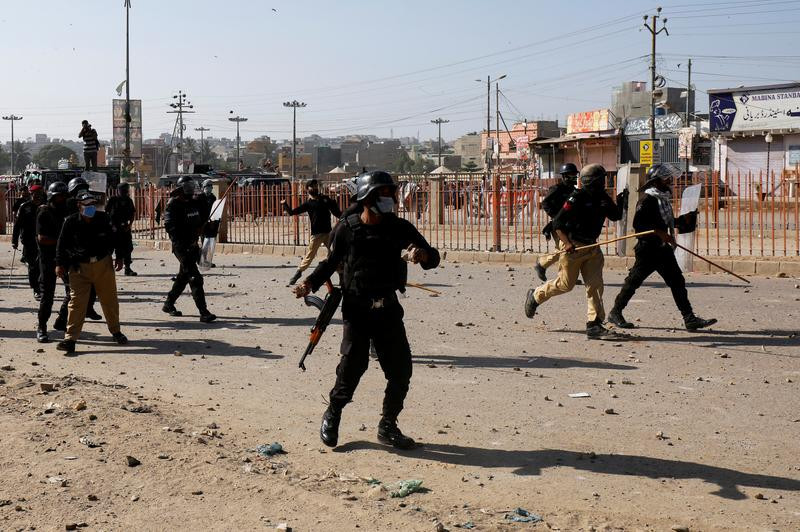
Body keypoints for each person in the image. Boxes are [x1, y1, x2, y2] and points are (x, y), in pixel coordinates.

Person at [293, 170, 440, 450]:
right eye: (381, 194)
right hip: (357, 309)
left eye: (389, 193)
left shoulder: (399, 228)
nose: (388, 199)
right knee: (352, 368)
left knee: (400, 370)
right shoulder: (347, 229)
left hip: (387, 308)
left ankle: (388, 425)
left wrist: (421, 255)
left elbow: (432, 257)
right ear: (366, 198)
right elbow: (330, 262)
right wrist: (308, 284)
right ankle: (333, 411)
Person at [608, 165, 717, 331]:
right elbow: (639, 225)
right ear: (657, 181)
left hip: (662, 249)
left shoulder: (662, 199)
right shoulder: (647, 199)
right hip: (647, 250)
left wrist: (683, 220)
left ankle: (689, 319)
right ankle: (615, 313)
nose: (670, 181)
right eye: (667, 178)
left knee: (677, 281)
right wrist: (659, 233)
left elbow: (666, 222)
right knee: (633, 282)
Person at [524, 164, 627, 339]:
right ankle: (535, 295)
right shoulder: (576, 197)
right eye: (601, 179)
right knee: (566, 285)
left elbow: (615, 216)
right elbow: (557, 224)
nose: (605, 181)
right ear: (593, 181)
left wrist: (621, 201)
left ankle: (594, 325)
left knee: (595, 286)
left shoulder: (603, 197)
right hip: (574, 247)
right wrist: (567, 244)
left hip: (592, 248)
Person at [55, 191, 128, 355]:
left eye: (92, 205)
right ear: (79, 206)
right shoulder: (70, 222)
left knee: (109, 300)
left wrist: (120, 257)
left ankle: (116, 331)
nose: (90, 208)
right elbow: (61, 244)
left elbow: (117, 238)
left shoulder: (104, 219)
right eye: (87, 205)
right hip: (79, 268)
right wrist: (59, 264)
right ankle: (70, 339)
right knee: (76, 303)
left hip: (103, 264)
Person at [162, 176, 216, 323]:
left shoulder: (194, 202)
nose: (191, 189)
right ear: (180, 188)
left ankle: (168, 304)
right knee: (195, 277)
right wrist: (183, 242)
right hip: (181, 247)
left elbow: (204, 215)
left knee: (183, 277)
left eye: (192, 186)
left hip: (193, 245)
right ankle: (204, 312)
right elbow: (170, 227)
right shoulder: (173, 204)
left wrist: (203, 201)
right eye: (187, 186)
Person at [282, 179, 342, 285]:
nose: (314, 188)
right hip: (316, 234)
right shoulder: (308, 204)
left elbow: (336, 212)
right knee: (310, 255)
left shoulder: (325, 199)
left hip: (328, 233)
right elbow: (292, 212)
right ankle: (298, 273)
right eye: (312, 186)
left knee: (334, 255)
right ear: (307, 189)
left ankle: (341, 275)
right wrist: (284, 204)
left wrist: (343, 217)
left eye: (315, 186)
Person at [35, 182, 71, 343]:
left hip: (65, 258)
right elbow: (42, 238)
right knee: (47, 296)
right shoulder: (44, 212)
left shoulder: (67, 211)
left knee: (73, 291)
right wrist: (61, 242)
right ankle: (42, 327)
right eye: (59, 196)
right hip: (48, 259)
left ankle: (62, 320)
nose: (62, 199)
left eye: (64, 196)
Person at [535, 163, 581, 283]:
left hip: (570, 225)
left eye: (575, 175)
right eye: (572, 175)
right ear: (565, 176)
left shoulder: (574, 191)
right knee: (564, 250)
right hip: (558, 226)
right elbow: (545, 203)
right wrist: (556, 217)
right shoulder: (557, 189)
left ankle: (564, 275)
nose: (575, 177)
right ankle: (545, 266)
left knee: (564, 250)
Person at [66, 177, 103, 321]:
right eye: (78, 188)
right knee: (72, 291)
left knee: (93, 284)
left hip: (89, 249)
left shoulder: (90, 202)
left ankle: (89, 308)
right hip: (74, 250)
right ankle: (64, 319)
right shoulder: (69, 205)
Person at [12, 184, 45, 299]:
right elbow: (17, 225)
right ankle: (36, 288)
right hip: (29, 240)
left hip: (44, 240)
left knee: (43, 265)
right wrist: (14, 240)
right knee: (33, 266)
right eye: (35, 194)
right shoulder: (25, 207)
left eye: (40, 194)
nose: (37, 197)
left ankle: (42, 287)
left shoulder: (45, 206)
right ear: (31, 195)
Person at [106, 182, 138, 276]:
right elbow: (107, 213)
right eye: (122, 191)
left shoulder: (128, 200)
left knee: (127, 248)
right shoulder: (113, 200)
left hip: (124, 228)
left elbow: (132, 214)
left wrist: (129, 225)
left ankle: (127, 268)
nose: (124, 193)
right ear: (118, 191)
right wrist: (111, 225)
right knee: (109, 249)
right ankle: (107, 269)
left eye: (125, 191)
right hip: (113, 228)